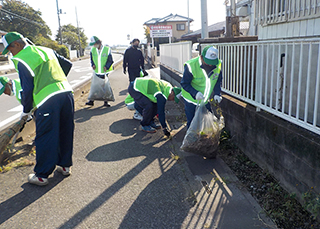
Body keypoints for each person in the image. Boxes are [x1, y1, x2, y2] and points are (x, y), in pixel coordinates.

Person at [2, 32, 74, 186]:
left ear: (18, 45)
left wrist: (26, 111)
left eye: (10, 49)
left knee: (45, 136)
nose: (10, 53)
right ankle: (64, 166)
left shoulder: (22, 59)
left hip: (48, 101)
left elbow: (27, 90)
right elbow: (68, 64)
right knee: (65, 130)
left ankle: (41, 175)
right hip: (66, 94)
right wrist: (55, 82)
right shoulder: (46, 50)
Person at [180, 45, 223, 128]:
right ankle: (192, 140)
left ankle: (204, 139)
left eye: (212, 62)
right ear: (201, 57)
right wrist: (195, 93)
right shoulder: (191, 65)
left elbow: (218, 80)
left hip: (205, 100)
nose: (210, 65)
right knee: (192, 123)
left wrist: (217, 93)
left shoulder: (218, 65)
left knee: (208, 123)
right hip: (191, 100)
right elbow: (184, 84)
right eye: (208, 62)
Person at [86, 36, 114, 106]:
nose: (94, 45)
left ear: (98, 43)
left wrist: (106, 67)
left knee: (104, 86)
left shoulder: (107, 49)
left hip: (104, 72)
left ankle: (106, 101)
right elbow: (92, 59)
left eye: (94, 44)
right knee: (94, 86)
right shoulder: (93, 50)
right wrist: (93, 65)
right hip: (96, 71)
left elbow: (110, 60)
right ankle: (91, 101)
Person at [123, 38, 145, 120]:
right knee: (132, 82)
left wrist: (143, 69)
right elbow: (125, 60)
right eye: (135, 43)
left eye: (138, 43)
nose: (136, 44)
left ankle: (137, 94)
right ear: (132, 43)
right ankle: (132, 95)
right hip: (131, 69)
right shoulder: (128, 51)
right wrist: (124, 68)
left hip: (137, 69)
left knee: (138, 82)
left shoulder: (139, 51)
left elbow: (142, 60)